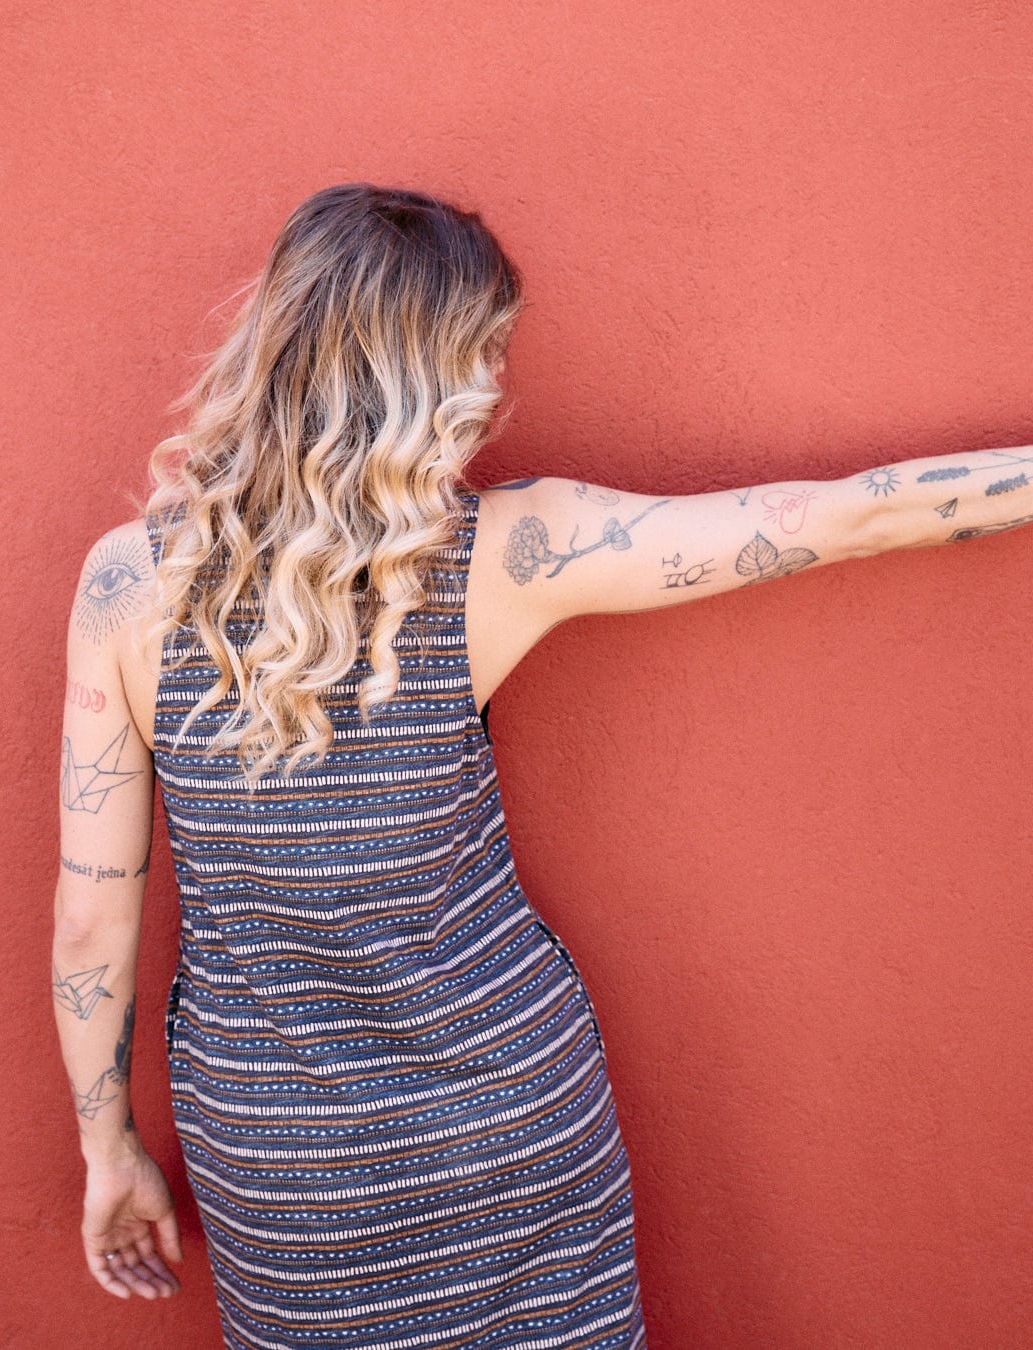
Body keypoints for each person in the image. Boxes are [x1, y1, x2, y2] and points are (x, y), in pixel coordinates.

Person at [52, 182, 1033, 1349]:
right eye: (486, 359)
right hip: (510, 1129)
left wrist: (107, 1147)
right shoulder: (502, 556)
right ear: (436, 374)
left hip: (290, 1178)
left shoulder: (125, 587)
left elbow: (91, 926)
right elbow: (842, 517)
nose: (497, 393)